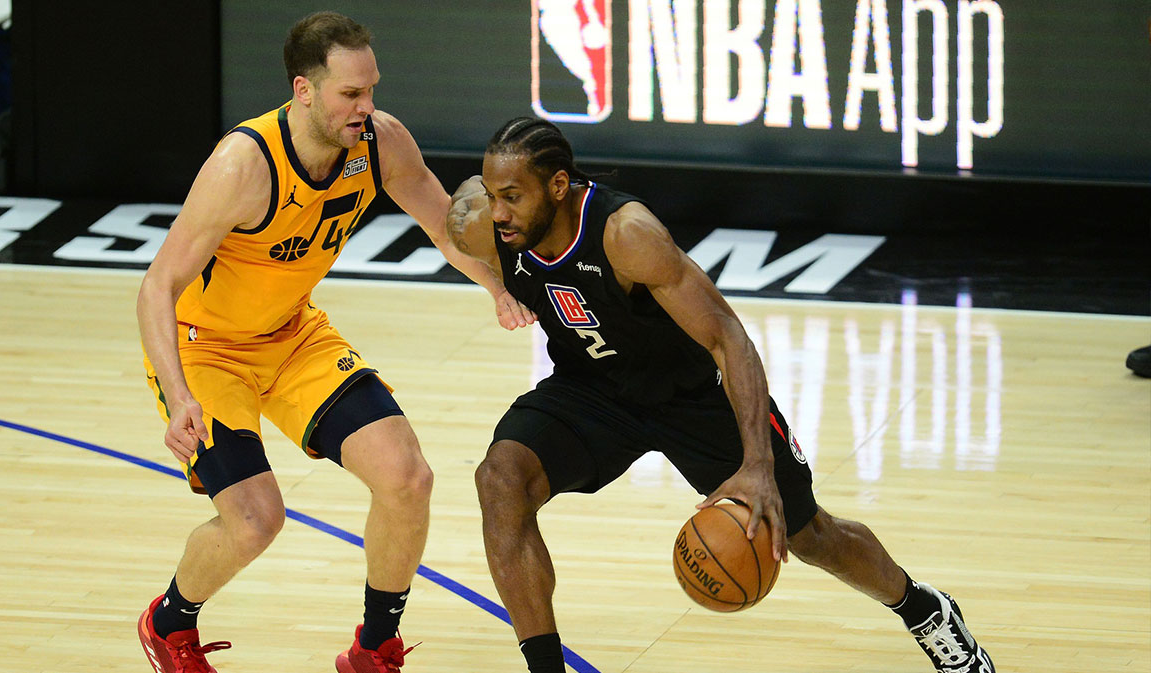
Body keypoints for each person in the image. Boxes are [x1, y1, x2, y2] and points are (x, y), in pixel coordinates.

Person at [445, 116, 995, 673]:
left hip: (693, 395)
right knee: (500, 480)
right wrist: (497, 289)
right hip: (592, 389)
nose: (499, 211)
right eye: (492, 195)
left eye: (512, 196)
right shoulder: (487, 227)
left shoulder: (625, 235)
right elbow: (443, 217)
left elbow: (728, 340)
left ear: (559, 186)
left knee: (809, 536)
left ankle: (924, 610)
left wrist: (757, 465)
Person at [135, 13, 532, 673]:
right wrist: (179, 398)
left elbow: (443, 224)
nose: (366, 106)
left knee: (408, 477)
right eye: (351, 94)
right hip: (206, 348)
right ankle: (168, 621)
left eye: (371, 89)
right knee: (255, 521)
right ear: (305, 90)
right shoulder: (243, 164)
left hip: (293, 335)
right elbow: (157, 286)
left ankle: (374, 648)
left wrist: (497, 288)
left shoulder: (380, 141)